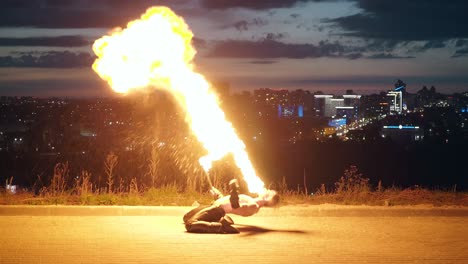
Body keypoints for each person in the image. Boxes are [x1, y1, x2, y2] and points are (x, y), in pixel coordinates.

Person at [183, 179, 279, 234]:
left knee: (190, 224)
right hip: (214, 206)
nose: (267, 190)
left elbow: (236, 206)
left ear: (269, 200)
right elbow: (228, 201)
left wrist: (234, 192)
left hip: (217, 210)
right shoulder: (250, 199)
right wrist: (218, 195)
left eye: (269, 192)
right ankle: (223, 220)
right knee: (186, 217)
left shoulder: (254, 206)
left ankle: (221, 227)